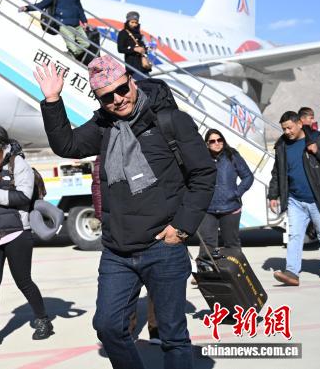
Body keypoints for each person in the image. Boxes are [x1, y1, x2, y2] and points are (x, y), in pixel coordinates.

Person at [34, 55, 216, 369]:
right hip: (118, 251)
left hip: (163, 246)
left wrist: (181, 228)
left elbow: (203, 174)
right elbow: (68, 145)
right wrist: (52, 101)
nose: (118, 99)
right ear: (99, 100)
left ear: (132, 82)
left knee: (172, 335)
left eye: (121, 89)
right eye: (107, 97)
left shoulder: (171, 121)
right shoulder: (104, 126)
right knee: (108, 326)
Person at [0, 122, 53, 349]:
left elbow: (22, 197)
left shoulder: (18, 163)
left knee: (23, 281)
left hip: (17, 231)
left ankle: (43, 320)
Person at [268, 111, 320, 285]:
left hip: (317, 198)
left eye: (289, 128)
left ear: (299, 124)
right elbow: (277, 172)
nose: (286, 132)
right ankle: (292, 272)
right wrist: (273, 194)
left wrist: (318, 151)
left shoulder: (318, 139)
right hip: (295, 200)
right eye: (284, 129)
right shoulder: (281, 145)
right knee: (294, 236)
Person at [197, 129, 253, 258]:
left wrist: (236, 193)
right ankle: (206, 269)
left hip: (230, 207)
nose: (217, 143)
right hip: (208, 208)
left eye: (219, 140)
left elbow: (248, 176)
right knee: (207, 245)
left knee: (231, 244)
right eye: (212, 141)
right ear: (207, 144)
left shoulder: (232, 156)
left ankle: (236, 269)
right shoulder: (201, 158)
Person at [19, 0, 90, 61]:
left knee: (86, 44)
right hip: (63, 24)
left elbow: (78, 5)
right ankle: (69, 57)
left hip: (76, 23)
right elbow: (43, 4)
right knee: (73, 47)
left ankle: (70, 55)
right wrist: (27, 8)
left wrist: (84, 20)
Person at [117, 11, 152, 77]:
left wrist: (146, 49)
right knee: (138, 81)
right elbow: (120, 49)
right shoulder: (123, 33)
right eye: (132, 22)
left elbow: (147, 48)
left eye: (136, 22)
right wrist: (134, 49)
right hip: (132, 66)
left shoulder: (140, 35)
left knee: (148, 81)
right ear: (128, 22)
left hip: (143, 65)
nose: (134, 24)